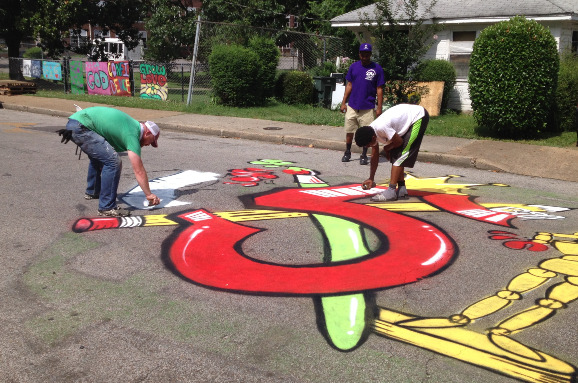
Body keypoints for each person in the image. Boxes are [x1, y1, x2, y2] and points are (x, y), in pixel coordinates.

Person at [57, 106, 161, 217]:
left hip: (76, 123)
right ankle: (107, 207)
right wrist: (148, 194)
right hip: (81, 127)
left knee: (101, 156)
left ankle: (93, 191)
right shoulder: (133, 133)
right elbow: (138, 170)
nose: (149, 144)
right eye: (152, 141)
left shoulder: (132, 125)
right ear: (147, 133)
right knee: (113, 161)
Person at [354, 104, 429, 202]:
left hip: (418, 117)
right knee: (396, 155)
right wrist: (371, 178)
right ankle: (402, 188)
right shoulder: (371, 132)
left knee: (402, 155)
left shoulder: (381, 128)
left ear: (372, 138)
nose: (368, 147)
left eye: (368, 145)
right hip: (405, 120)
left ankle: (391, 191)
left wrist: (387, 148)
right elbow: (374, 156)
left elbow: (399, 142)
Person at [340, 43, 385, 165]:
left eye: (367, 54)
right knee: (349, 130)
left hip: (367, 107)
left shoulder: (377, 68)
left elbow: (379, 89)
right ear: (359, 54)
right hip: (352, 105)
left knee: (366, 133)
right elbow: (349, 85)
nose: (364, 56)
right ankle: (347, 152)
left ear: (370, 54)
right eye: (362, 54)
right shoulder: (354, 67)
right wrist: (343, 102)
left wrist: (379, 108)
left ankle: (364, 155)